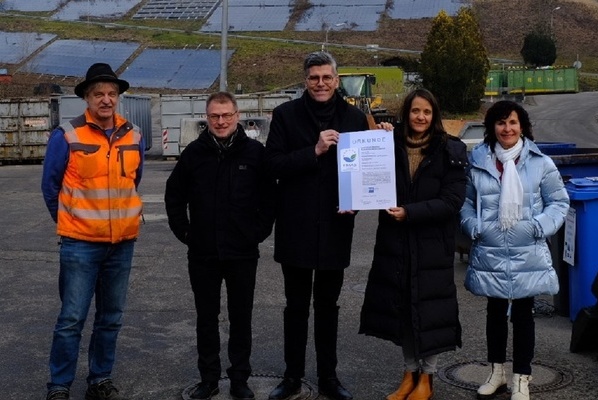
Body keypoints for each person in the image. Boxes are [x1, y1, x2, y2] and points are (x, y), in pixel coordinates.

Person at [264, 51, 369, 400]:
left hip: (337, 227)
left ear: (337, 80)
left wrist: (358, 203)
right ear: (305, 81)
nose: (320, 83)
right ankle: (291, 377)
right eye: (314, 78)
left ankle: (328, 378)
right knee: (295, 307)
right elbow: (273, 165)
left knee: (328, 307)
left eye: (326, 77)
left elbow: (367, 172)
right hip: (296, 227)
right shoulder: (285, 115)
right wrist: (314, 150)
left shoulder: (354, 117)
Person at [41, 63, 144, 400]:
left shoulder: (134, 135)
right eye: (98, 93)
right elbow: (50, 186)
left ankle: (100, 379)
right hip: (80, 245)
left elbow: (134, 182)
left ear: (119, 97)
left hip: (122, 244)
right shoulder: (67, 135)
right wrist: (72, 223)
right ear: (86, 97)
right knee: (71, 319)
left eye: (112, 93)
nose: (106, 99)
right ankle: (59, 386)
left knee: (111, 318)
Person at [164, 91, 276, 400]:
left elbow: (269, 199)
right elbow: (174, 196)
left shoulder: (255, 153)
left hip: (242, 252)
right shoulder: (194, 154)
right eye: (215, 116)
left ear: (237, 116)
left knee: (241, 318)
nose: (221, 121)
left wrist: (258, 232)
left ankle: (240, 378)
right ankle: (209, 379)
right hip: (203, 253)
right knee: (206, 318)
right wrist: (185, 232)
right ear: (207, 118)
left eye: (226, 115)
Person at [359, 88, 468, 400]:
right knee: (402, 309)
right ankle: (409, 373)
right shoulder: (387, 145)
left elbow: (452, 201)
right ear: (406, 113)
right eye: (415, 111)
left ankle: (428, 380)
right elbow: (364, 178)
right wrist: (377, 136)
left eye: (427, 112)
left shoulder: (451, 150)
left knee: (431, 311)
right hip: (395, 242)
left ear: (434, 116)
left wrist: (410, 212)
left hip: (432, 245)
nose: (420, 117)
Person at [459, 100, 569, 400]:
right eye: (500, 122)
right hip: (490, 250)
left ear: (522, 126)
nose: (507, 129)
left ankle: (522, 378)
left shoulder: (540, 162)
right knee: (494, 314)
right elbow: (466, 202)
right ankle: (496, 373)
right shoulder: (478, 161)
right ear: (492, 127)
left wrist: (539, 226)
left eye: (512, 122)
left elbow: (559, 203)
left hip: (526, 251)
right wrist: (473, 227)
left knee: (523, 316)